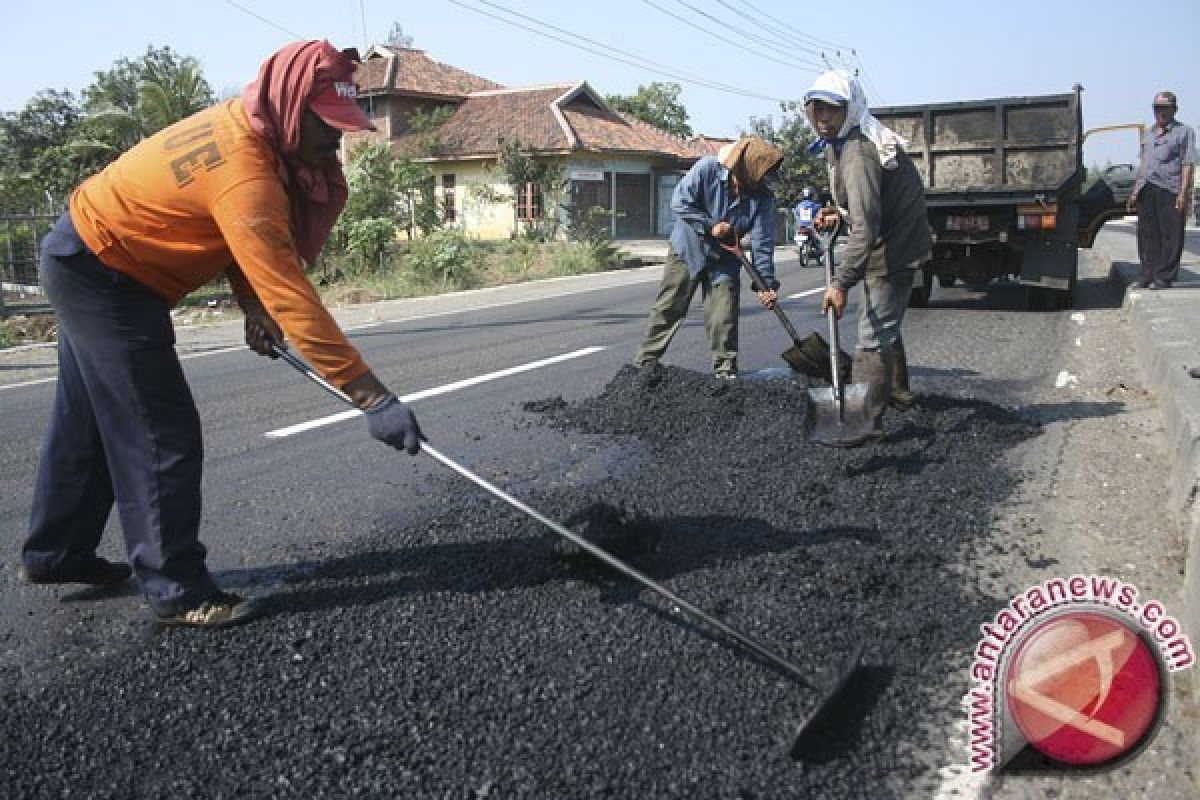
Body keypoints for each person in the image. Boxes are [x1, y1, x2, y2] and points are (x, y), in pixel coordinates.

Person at [20, 41, 422, 629]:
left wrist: (254, 308)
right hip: (104, 271)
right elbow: (291, 291)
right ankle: (178, 589)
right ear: (291, 107)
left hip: (86, 253)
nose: (337, 139)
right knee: (160, 432)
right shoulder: (246, 171)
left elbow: (234, 239)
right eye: (327, 124)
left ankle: (55, 554)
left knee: (87, 419)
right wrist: (371, 395)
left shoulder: (251, 130)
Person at [804, 70, 931, 442]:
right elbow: (860, 209)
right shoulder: (839, 144)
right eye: (817, 110)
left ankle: (861, 425)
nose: (823, 119)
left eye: (832, 111)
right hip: (888, 238)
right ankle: (899, 392)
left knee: (872, 335)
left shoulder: (858, 152)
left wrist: (840, 282)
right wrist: (836, 212)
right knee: (882, 317)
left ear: (850, 110)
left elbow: (867, 227)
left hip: (894, 247)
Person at [632, 136, 784, 379]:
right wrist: (711, 226)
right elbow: (679, 202)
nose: (764, 181)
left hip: (725, 259)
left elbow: (762, 242)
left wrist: (765, 284)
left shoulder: (763, 199)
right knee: (669, 309)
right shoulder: (706, 170)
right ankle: (643, 366)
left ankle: (725, 374)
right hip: (688, 249)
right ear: (746, 170)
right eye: (762, 174)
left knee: (723, 317)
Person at [1127, 91, 1196, 290]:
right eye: (1157, 108)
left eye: (1165, 108)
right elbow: (1144, 163)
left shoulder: (1184, 132)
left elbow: (1187, 163)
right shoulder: (1148, 133)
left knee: (1170, 236)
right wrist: (1134, 191)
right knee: (1147, 235)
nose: (1160, 113)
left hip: (1170, 189)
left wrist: (1183, 193)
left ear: (1174, 109)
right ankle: (1147, 274)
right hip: (1147, 189)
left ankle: (1164, 277)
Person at [794, 186, 823, 262]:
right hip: (811, 227)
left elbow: (796, 214)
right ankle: (818, 250)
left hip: (800, 226)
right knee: (818, 238)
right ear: (811, 195)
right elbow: (820, 208)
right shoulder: (814, 205)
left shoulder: (799, 205)